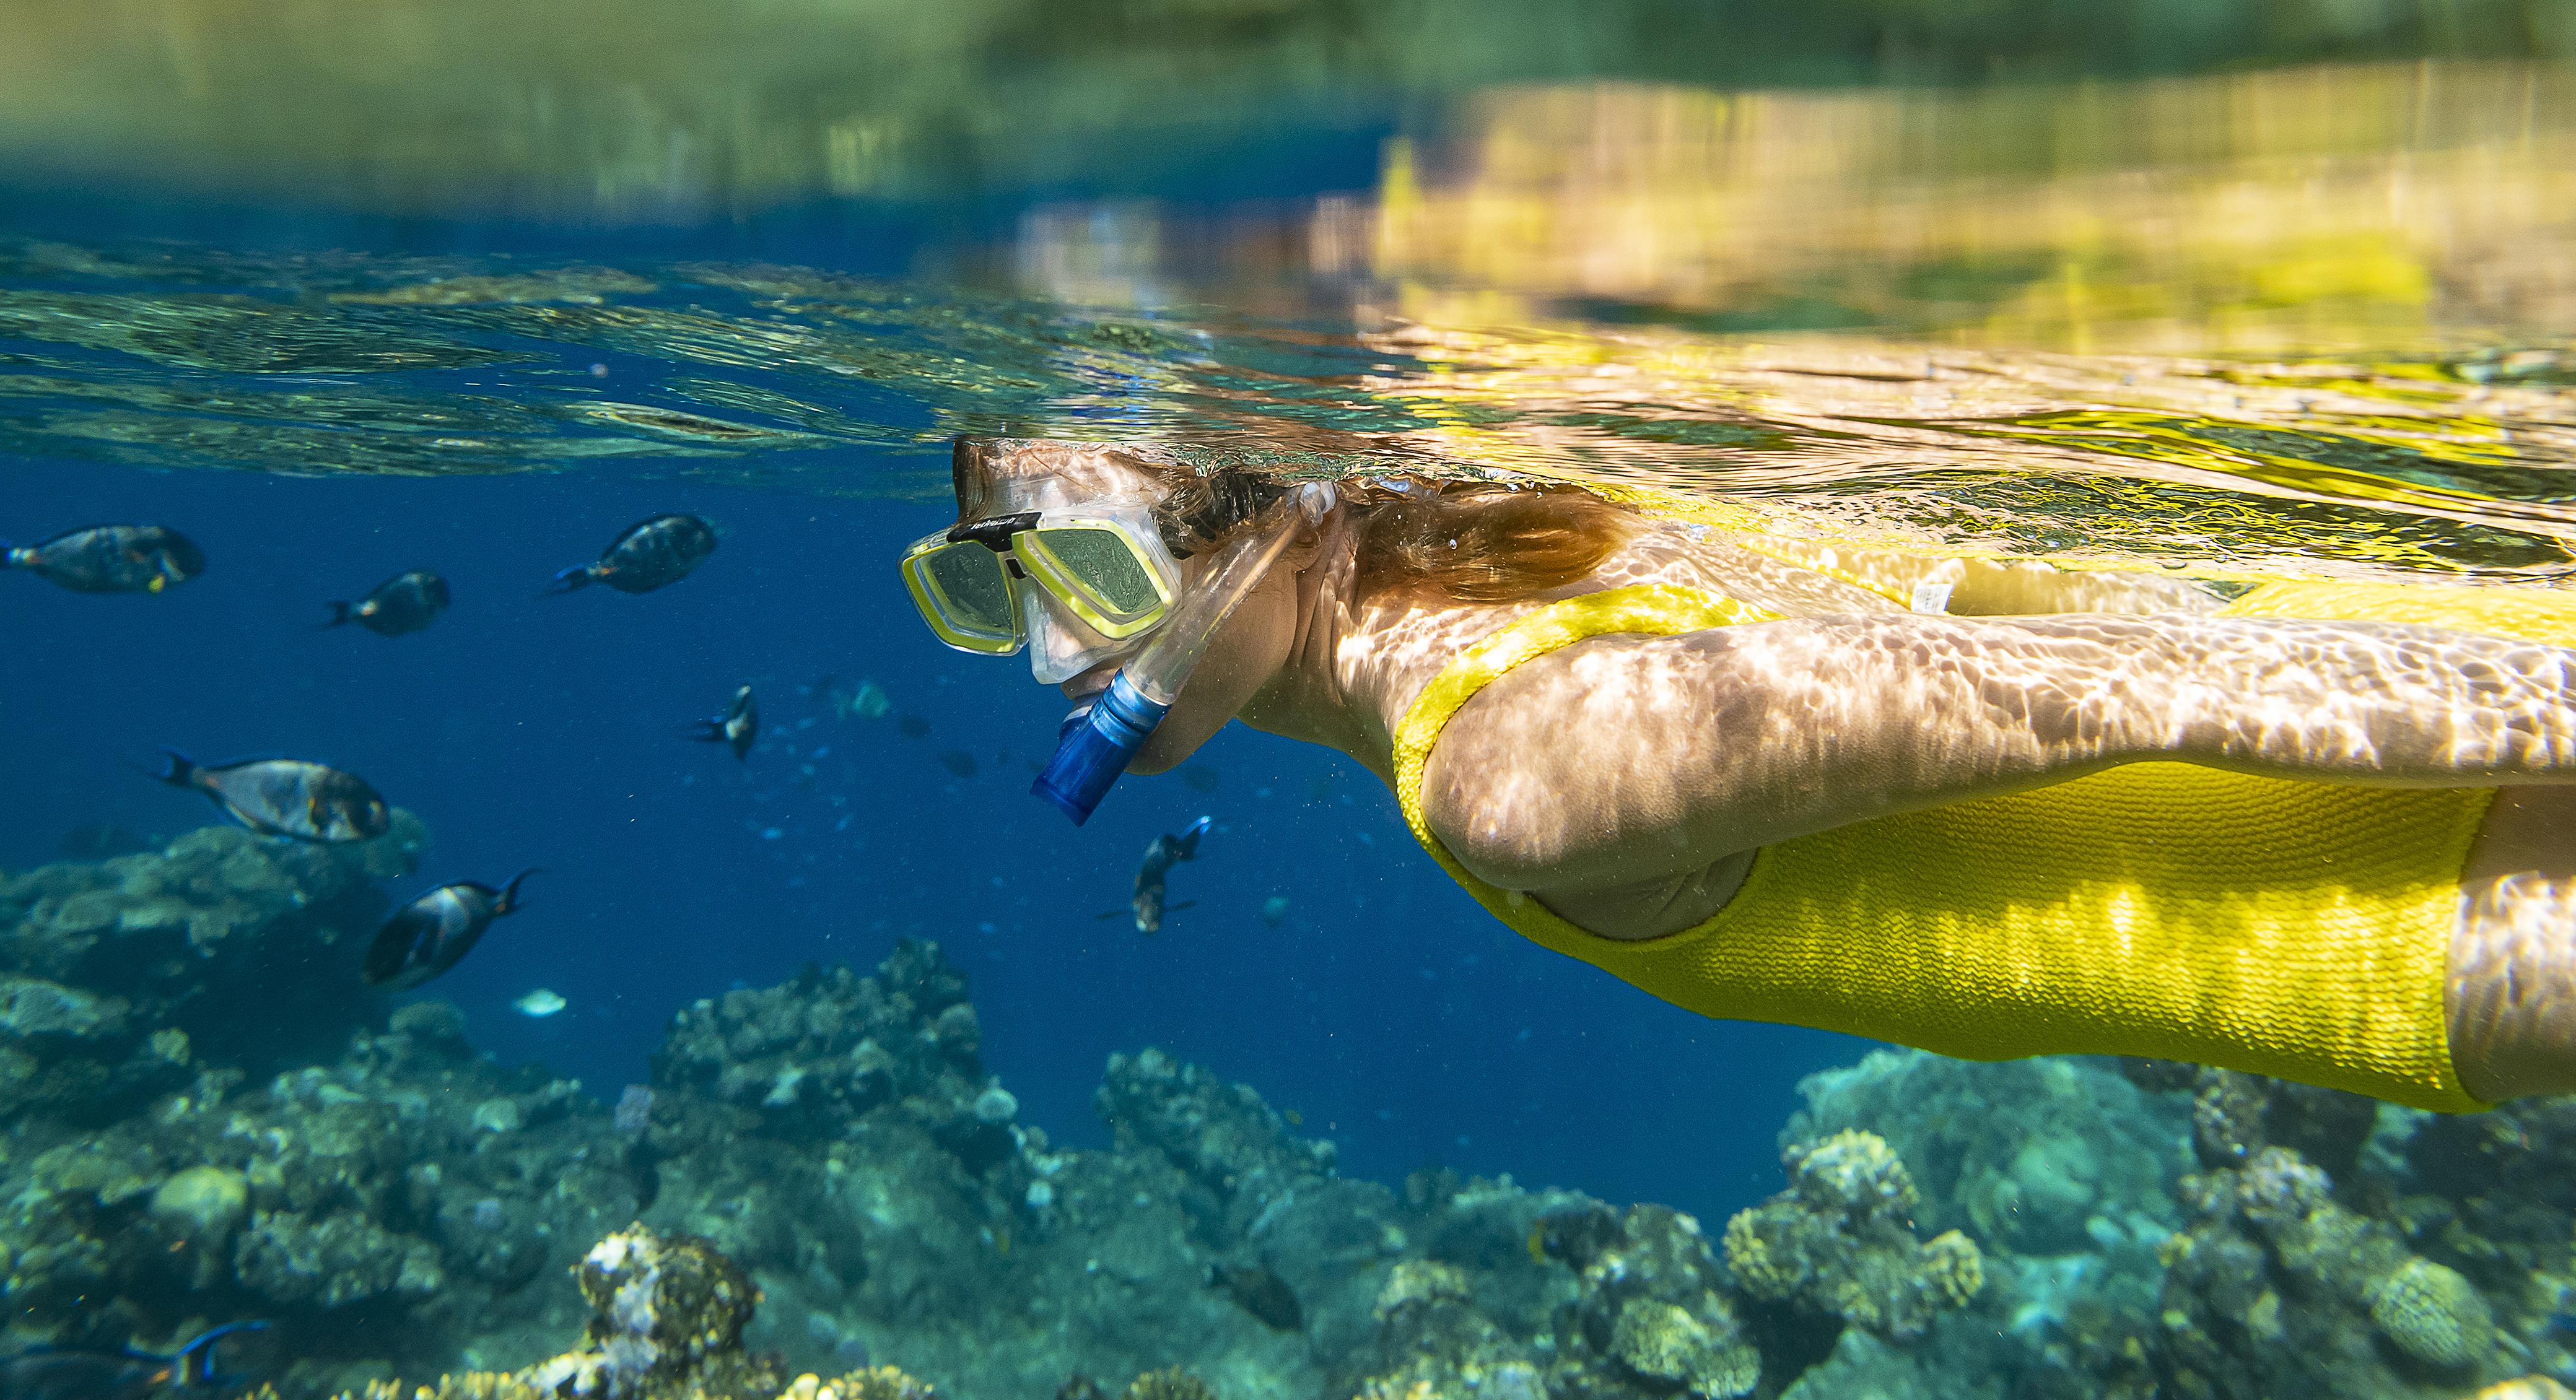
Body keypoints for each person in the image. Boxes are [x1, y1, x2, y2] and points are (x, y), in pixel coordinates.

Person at [900, 437, 2576, 1110]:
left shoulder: (1506, 768)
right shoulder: (1517, 561)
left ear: (1252, 524)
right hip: (2431, 799)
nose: (1067, 659)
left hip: (2426, 877)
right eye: (995, 589)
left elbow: (2143, 677)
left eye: (1092, 572)